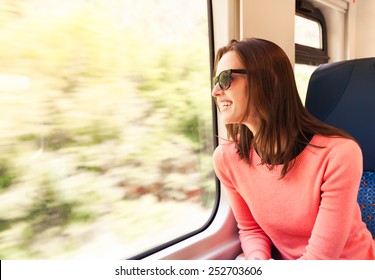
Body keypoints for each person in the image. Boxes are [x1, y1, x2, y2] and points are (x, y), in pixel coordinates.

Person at [212, 38, 375, 260]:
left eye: (225, 79)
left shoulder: (339, 154)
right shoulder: (227, 159)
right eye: (215, 80)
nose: (215, 91)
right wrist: (259, 262)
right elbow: (251, 229)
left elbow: (319, 261)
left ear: (269, 80)